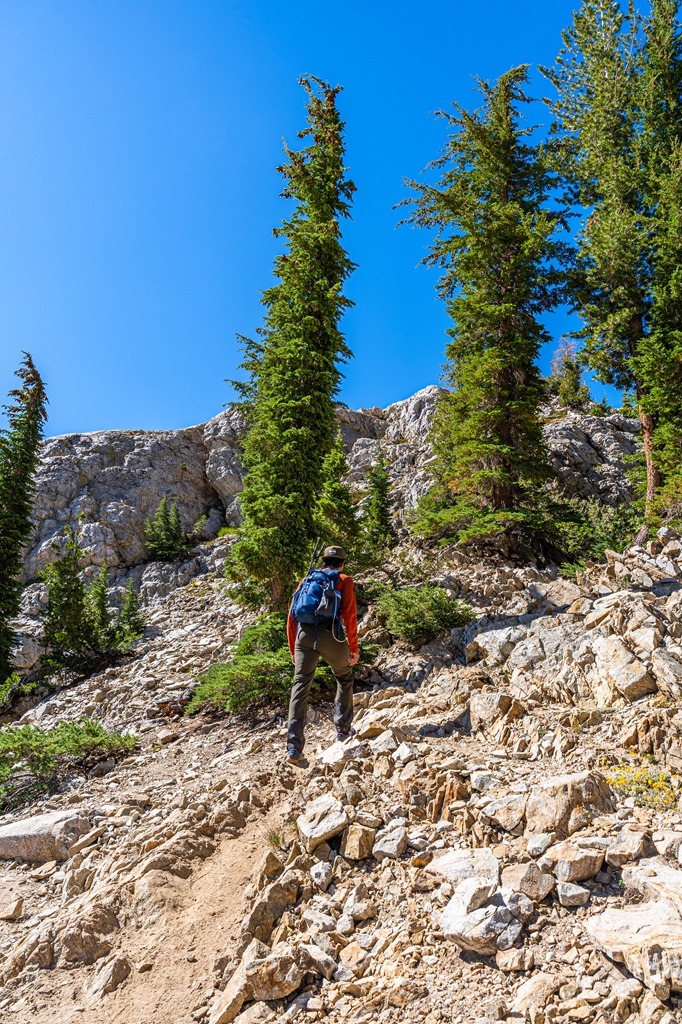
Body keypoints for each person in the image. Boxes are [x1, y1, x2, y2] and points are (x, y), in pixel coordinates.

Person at [286, 545, 359, 762]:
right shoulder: (344, 580)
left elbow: (292, 617)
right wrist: (353, 648)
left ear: (323, 561)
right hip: (330, 636)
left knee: (300, 686)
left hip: (303, 637)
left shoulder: (307, 580)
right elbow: (350, 616)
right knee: (344, 677)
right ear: (342, 563)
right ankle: (343, 730)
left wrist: (293, 649)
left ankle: (294, 748)